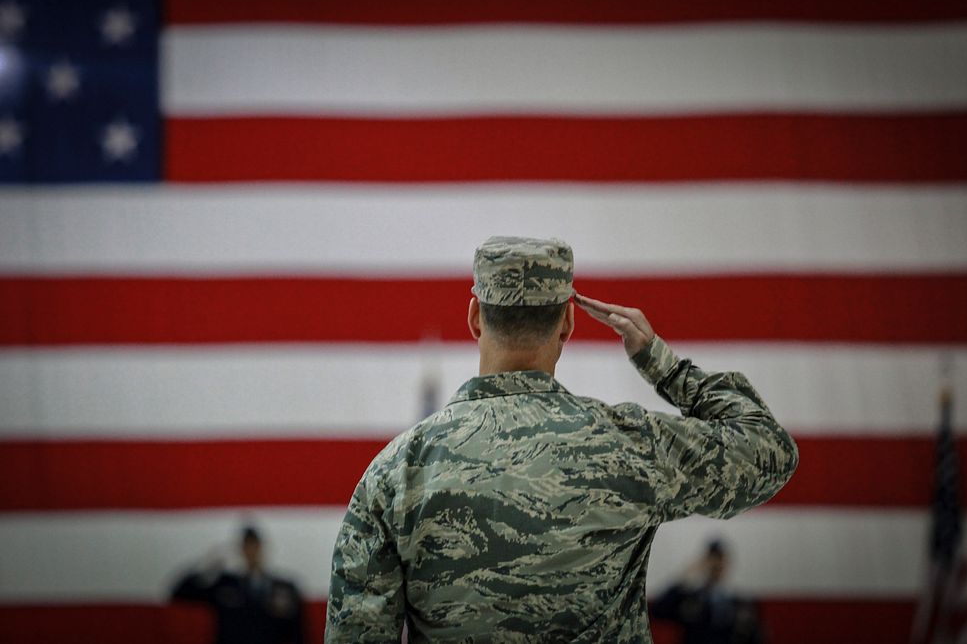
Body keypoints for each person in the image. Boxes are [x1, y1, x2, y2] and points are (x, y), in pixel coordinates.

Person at [326, 236, 798, 642]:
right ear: (568, 324)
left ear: (474, 317)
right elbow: (768, 450)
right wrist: (663, 365)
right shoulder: (628, 444)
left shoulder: (396, 472)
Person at [170, 525, 306, 644]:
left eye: (254, 545)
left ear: (261, 547)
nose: (251, 551)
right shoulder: (224, 584)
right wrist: (206, 569)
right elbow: (180, 593)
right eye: (246, 546)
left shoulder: (284, 588)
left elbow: (298, 633)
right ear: (241, 550)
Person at [650, 539, 766, 644]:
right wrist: (683, 579)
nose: (715, 564)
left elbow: (756, 637)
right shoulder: (689, 599)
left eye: (719, 559)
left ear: (726, 563)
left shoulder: (741, 603)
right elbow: (658, 610)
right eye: (712, 559)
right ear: (704, 562)